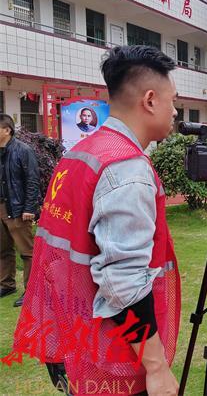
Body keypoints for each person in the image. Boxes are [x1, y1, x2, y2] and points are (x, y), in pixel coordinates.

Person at [13, 45, 181, 396]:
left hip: (74, 337)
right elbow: (123, 283)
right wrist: (156, 366)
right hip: (112, 356)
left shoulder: (80, 153)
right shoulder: (127, 168)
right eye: (173, 101)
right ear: (150, 100)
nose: (175, 111)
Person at [0, 114, 40, 308]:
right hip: (1, 207)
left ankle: (31, 289)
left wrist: (29, 207)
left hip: (17, 208)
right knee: (3, 249)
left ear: (7, 130)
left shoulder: (23, 150)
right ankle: (7, 284)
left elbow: (32, 180)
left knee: (27, 251)